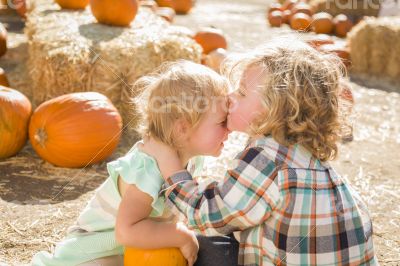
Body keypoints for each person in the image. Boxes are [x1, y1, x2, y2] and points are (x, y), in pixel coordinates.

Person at [148, 39, 377, 265]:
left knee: (201, 247)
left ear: (276, 110)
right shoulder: (304, 153)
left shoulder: (267, 158)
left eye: (242, 93)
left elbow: (209, 215)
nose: (230, 97)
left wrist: (173, 171)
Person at [31, 60, 237, 266]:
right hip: (95, 252)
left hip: (130, 252)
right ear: (182, 128)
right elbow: (126, 231)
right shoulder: (146, 170)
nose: (230, 128)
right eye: (222, 122)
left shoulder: (194, 159)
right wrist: (181, 236)